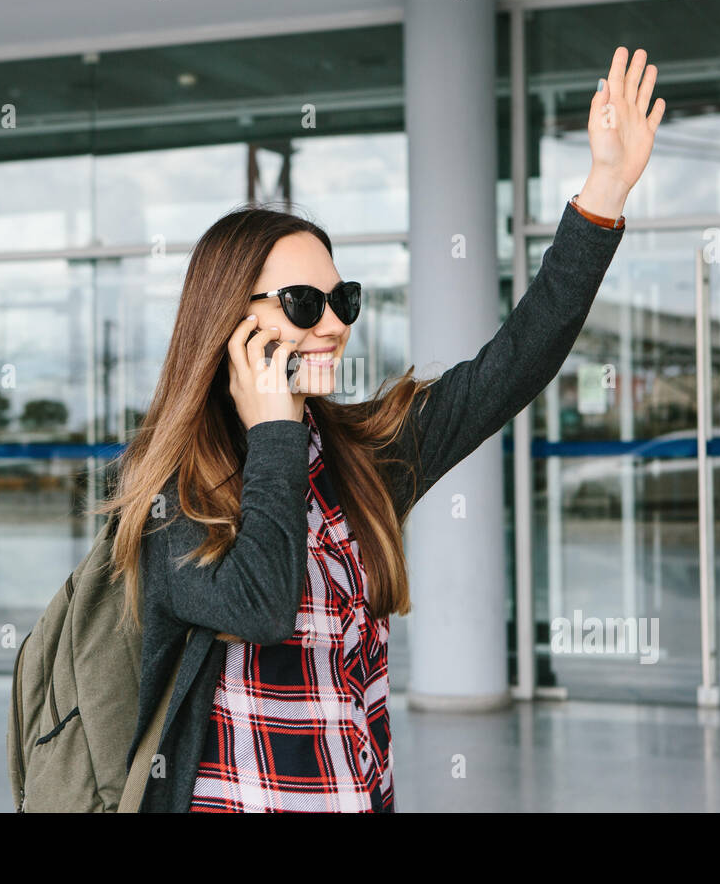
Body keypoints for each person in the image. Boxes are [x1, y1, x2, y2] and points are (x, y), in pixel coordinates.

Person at [95, 46, 664, 812]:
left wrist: (604, 191)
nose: (334, 325)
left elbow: (514, 364)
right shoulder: (167, 486)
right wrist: (273, 431)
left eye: (345, 300)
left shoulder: (364, 456)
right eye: (304, 303)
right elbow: (261, 607)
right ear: (232, 318)